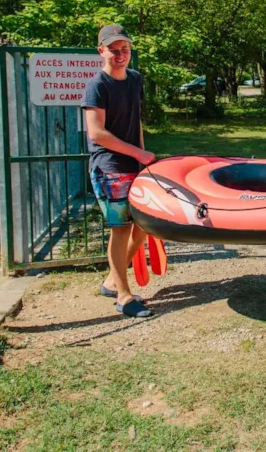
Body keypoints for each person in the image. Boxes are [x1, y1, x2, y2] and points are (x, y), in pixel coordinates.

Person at [84, 24, 156, 318]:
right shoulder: (97, 85)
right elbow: (97, 133)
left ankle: (113, 280)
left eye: (124, 49)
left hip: (134, 166)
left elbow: (135, 122)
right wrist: (137, 153)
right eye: (113, 50)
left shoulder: (135, 80)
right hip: (109, 167)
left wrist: (142, 159)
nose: (120, 54)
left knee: (143, 227)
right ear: (101, 51)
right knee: (121, 228)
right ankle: (124, 296)